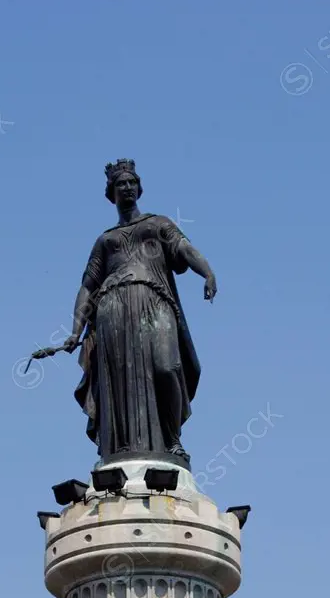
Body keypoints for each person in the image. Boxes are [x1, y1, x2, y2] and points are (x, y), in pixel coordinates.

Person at [65, 159, 217, 465]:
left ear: (139, 187)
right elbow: (87, 287)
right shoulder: (105, 241)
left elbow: (184, 249)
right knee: (118, 384)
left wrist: (207, 272)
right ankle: (120, 447)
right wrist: (75, 330)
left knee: (167, 367)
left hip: (153, 300)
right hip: (112, 310)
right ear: (111, 192)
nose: (127, 187)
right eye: (120, 183)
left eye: (132, 182)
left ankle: (172, 440)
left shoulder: (158, 224)